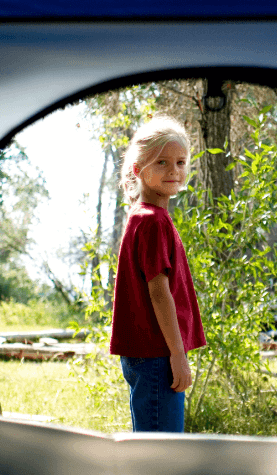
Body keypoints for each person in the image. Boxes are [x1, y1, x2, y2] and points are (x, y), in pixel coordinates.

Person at [110, 115, 207, 433]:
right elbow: (158, 291)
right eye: (162, 162)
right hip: (157, 355)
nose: (174, 171)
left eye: (180, 162)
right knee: (162, 455)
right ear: (138, 170)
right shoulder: (153, 221)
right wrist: (177, 355)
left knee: (150, 449)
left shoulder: (142, 217)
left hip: (146, 355)